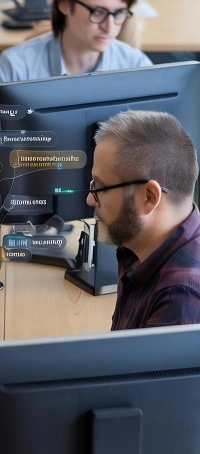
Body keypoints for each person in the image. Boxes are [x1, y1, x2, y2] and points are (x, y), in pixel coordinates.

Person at [87, 109, 200, 330]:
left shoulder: (181, 299)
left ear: (149, 197)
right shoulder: (138, 248)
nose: (90, 199)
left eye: (100, 188)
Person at [0, 0, 151, 102]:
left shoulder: (136, 66)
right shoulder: (14, 69)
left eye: (119, 13)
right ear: (64, 4)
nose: (109, 27)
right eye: (98, 12)